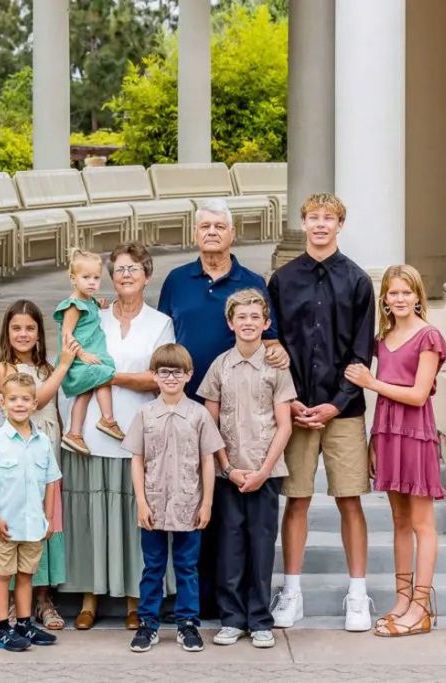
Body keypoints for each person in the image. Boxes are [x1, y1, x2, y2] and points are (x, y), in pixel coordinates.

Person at [158, 198, 289, 618]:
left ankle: (232, 602)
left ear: (232, 234)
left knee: (230, 515)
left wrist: (281, 354)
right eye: (204, 227)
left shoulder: (250, 281)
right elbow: (162, 340)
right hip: (185, 408)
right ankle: (195, 597)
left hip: (239, 418)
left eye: (219, 226)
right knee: (194, 505)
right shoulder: (177, 281)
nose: (212, 232)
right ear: (195, 234)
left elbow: (272, 342)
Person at [267, 192, 376, 631]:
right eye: (313, 218)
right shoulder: (282, 280)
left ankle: (358, 594)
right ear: (304, 222)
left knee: (350, 499)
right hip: (294, 408)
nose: (319, 225)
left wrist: (335, 403)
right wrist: (290, 399)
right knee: (296, 499)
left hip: (343, 410)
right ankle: (292, 592)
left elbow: (362, 352)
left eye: (328, 219)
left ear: (339, 225)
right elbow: (275, 348)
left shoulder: (357, 280)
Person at [59, 243, 175, 631]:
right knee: (92, 518)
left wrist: (108, 375)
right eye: (119, 269)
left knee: (133, 520)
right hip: (93, 430)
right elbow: (73, 359)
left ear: (147, 275)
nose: (125, 275)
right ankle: (89, 597)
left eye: (133, 269)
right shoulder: (96, 315)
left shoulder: (159, 323)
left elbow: (158, 378)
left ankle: (134, 599)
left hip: (138, 432)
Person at [345, 264, 446, 637]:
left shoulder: (429, 337)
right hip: (388, 433)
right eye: (393, 292)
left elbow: (419, 394)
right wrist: (374, 439)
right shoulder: (382, 337)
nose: (400, 298)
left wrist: (372, 382)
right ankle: (402, 600)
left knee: (423, 523)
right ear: (385, 299)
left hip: (415, 434)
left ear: (418, 296)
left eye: (407, 292)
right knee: (399, 522)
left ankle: (421, 607)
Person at [198, 289, 296, 649]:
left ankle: (260, 620)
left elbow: (284, 425)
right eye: (242, 317)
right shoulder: (220, 366)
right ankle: (232, 618)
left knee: (261, 545)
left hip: (265, 473)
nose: (249, 323)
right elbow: (209, 422)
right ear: (230, 323)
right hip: (229, 474)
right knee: (230, 546)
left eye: (256, 317)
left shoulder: (276, 367)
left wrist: (263, 470)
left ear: (266, 323)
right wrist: (227, 467)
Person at [122, 343, 225, 654]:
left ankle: (187, 624)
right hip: (153, 503)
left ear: (188, 375)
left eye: (176, 372)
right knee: (152, 566)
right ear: (154, 375)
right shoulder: (145, 414)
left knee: (187, 566)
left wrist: (206, 502)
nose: (170, 378)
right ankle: (148, 624)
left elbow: (208, 460)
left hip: (188, 504)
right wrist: (140, 501)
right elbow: (136, 459)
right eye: (163, 372)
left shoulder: (198, 415)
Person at [0, 300, 79, 630]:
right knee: (19, 521)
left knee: (46, 522)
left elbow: (51, 406)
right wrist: (64, 364)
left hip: (47, 447)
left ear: (39, 333)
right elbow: (36, 400)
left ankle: (43, 599)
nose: (23, 334)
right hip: (18, 456)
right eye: (17, 328)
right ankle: (16, 602)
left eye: (30, 328)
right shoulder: (3, 368)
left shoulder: (45, 367)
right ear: (7, 331)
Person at [0, 372, 62, 652]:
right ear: (3, 402)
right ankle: (2, 629)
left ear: (35, 403)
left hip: (33, 524)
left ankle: (24, 623)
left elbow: (50, 482)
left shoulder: (43, 442)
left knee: (26, 575)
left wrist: (48, 518)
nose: (20, 404)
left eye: (26, 399)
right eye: (13, 399)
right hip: (5, 524)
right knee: (1, 575)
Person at [55, 248, 124, 455]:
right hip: (77, 359)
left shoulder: (89, 302)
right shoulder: (74, 305)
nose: (92, 282)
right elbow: (67, 334)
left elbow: (91, 316)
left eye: (96, 278)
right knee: (104, 374)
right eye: (86, 278)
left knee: (85, 393)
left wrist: (100, 305)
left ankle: (74, 433)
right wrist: (82, 355)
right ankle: (107, 419)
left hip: (86, 357)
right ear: (73, 279)